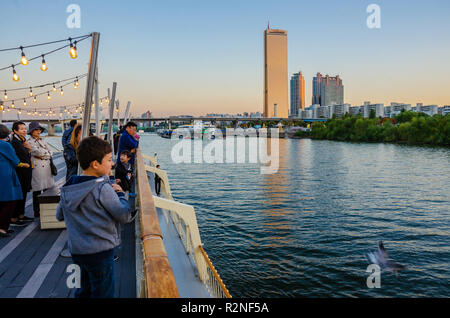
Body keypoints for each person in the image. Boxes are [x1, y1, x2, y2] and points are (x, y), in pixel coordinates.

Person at [56, 136, 133, 298]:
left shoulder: (68, 187)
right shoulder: (102, 188)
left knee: (83, 290)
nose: (112, 164)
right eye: (109, 160)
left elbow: (59, 215)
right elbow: (124, 215)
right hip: (100, 251)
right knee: (103, 292)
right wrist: (120, 194)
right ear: (95, 164)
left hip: (77, 250)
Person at [0, 124, 30, 237]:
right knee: (9, 201)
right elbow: (15, 160)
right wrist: (25, 164)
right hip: (6, 174)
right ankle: (2, 228)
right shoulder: (5, 145)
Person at [29, 122, 55, 217]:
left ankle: (47, 210)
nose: (39, 131)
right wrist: (46, 154)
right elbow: (36, 152)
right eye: (36, 129)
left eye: (40, 129)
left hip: (47, 168)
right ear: (31, 131)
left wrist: (45, 155)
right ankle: (37, 210)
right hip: (37, 169)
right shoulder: (29, 142)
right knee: (37, 190)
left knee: (48, 189)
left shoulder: (43, 140)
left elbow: (51, 151)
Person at [10, 121, 33, 226]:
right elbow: (19, 157)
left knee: (23, 193)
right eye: (22, 129)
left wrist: (28, 149)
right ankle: (14, 217)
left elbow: (26, 154)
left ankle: (21, 215)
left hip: (25, 171)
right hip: (20, 171)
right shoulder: (15, 142)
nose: (24, 131)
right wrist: (28, 149)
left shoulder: (22, 140)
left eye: (25, 128)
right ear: (15, 131)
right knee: (20, 193)